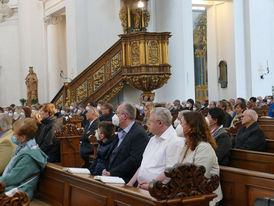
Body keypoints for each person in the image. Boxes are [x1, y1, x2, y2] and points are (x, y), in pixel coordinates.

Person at [127, 107, 184, 189]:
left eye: (150, 121)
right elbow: (144, 164)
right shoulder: (153, 139)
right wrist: (131, 183)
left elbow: (171, 170)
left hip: (159, 190)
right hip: (142, 187)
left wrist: (151, 184)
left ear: (160, 123)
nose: (147, 123)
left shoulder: (175, 141)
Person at [179, 111, 222, 206]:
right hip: (187, 193)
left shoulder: (204, 147)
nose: (179, 126)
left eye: (181, 123)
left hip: (204, 197)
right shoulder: (187, 145)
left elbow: (199, 177)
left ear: (190, 127)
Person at [0, 118, 47, 200]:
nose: (13, 136)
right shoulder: (24, 148)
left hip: (20, 193)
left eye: (15, 134)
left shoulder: (30, 156)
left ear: (23, 137)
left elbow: (13, 178)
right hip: (11, 188)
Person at [103, 103, 149, 183]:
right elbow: (112, 153)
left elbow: (133, 161)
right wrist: (106, 170)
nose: (115, 116)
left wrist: (112, 173)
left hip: (125, 179)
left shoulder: (138, 133)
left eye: (117, 113)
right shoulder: (121, 130)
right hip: (111, 175)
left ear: (124, 116)